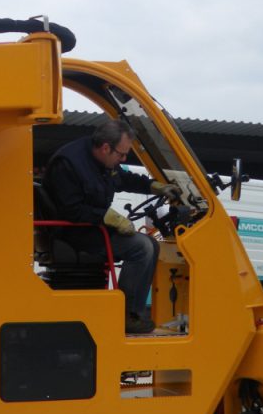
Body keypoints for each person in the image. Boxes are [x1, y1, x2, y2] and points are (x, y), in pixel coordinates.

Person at [45, 119, 180, 334]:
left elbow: (123, 178)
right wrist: (109, 218)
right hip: (74, 232)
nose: (123, 159)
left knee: (151, 245)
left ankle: (133, 312)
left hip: (90, 226)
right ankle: (124, 315)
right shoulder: (69, 163)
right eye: (122, 154)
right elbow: (71, 211)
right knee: (141, 247)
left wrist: (154, 187)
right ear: (106, 147)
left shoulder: (103, 161)